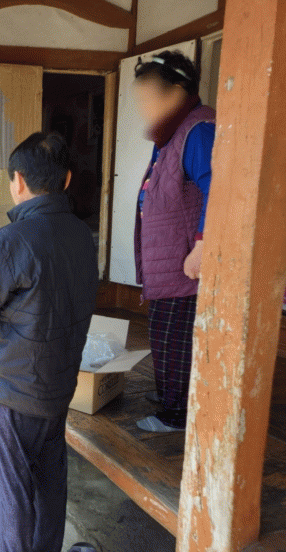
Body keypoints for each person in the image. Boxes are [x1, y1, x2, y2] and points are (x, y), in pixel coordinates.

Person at [0, 132, 99, 552]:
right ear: (66, 179)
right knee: (49, 482)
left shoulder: (11, 239)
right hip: (59, 382)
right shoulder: (81, 235)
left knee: (11, 494)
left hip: (14, 388)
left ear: (17, 181)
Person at [132, 50, 216, 432]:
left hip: (184, 264)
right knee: (164, 336)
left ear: (177, 92)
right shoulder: (169, 134)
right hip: (167, 262)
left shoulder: (198, 131)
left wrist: (202, 246)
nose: (142, 109)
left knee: (176, 340)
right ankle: (170, 394)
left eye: (147, 99)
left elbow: (219, 187)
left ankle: (177, 413)